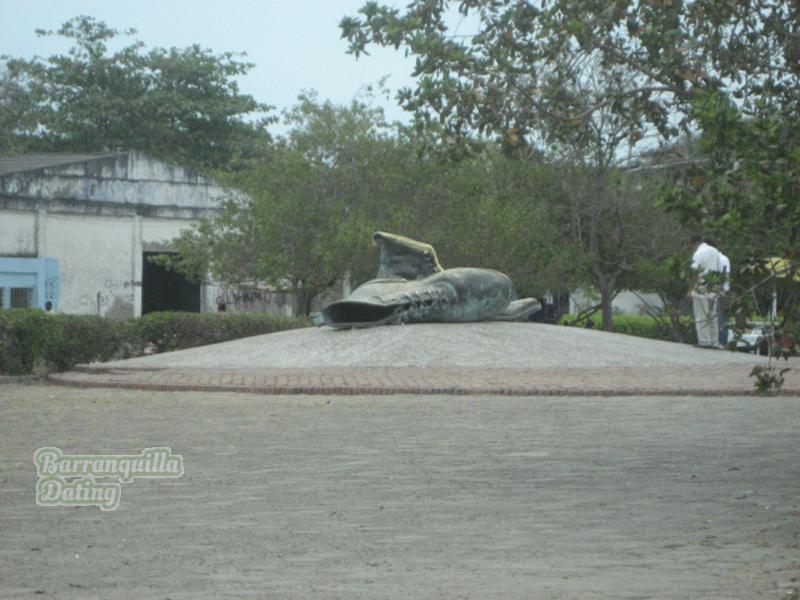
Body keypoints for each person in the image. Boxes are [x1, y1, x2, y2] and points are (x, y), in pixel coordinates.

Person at [689, 234, 723, 348]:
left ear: (694, 243)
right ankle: (714, 341)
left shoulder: (699, 253)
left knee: (701, 315)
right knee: (713, 316)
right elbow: (719, 271)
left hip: (701, 288)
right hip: (713, 287)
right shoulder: (715, 251)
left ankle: (704, 341)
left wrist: (691, 288)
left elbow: (694, 271)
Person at [705, 239, 731, 346]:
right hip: (715, 292)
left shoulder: (721, 258)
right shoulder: (715, 258)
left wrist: (719, 290)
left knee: (720, 320)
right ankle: (714, 341)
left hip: (721, 292)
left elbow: (724, 274)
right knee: (714, 319)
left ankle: (722, 343)